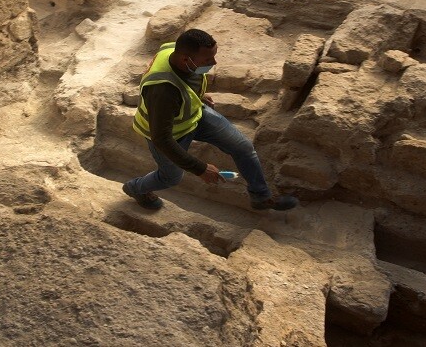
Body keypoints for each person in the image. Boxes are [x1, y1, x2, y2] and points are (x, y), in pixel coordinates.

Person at [123, 29, 299, 211]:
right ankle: (135, 188)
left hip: (194, 116)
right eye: (208, 61)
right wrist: (200, 169)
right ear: (186, 59)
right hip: (169, 135)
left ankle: (261, 197)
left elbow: (186, 80)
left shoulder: (172, 50)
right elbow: (162, 138)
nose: (214, 63)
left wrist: (198, 95)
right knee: (170, 177)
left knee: (243, 147)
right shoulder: (164, 91)